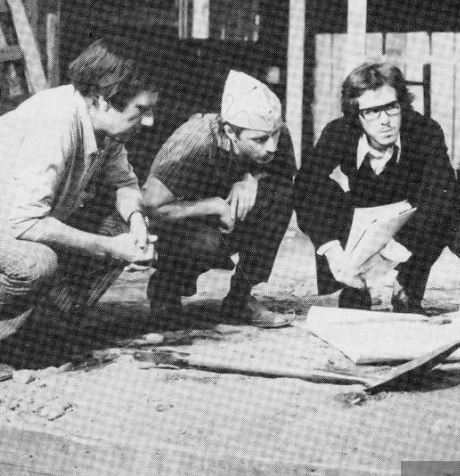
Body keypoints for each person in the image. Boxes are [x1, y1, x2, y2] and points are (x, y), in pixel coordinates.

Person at [0, 37, 159, 339]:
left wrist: (137, 222)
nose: (148, 121)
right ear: (102, 98)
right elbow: (26, 223)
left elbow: (124, 183)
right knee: (35, 264)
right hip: (11, 226)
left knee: (122, 223)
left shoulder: (105, 126)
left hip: (12, 225)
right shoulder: (56, 122)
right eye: (141, 109)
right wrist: (111, 247)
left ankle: (45, 330)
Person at [294, 62, 459, 314]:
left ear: (402, 104)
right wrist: (331, 250)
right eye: (371, 111)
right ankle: (352, 286)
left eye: (391, 107)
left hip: (410, 221)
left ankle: (407, 285)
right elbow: (305, 184)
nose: (385, 121)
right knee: (322, 189)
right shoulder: (339, 132)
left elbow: (442, 193)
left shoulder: (425, 131)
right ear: (356, 115)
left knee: (444, 204)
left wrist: (398, 250)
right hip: (362, 218)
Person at [142, 70, 295, 328]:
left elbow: (282, 176)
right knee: (206, 244)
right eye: (259, 140)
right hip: (183, 222)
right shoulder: (195, 142)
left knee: (281, 196)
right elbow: (150, 206)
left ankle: (240, 299)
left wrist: (251, 178)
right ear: (230, 131)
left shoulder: (273, 132)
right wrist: (213, 206)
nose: (271, 146)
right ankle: (167, 287)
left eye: (276, 135)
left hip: (228, 216)